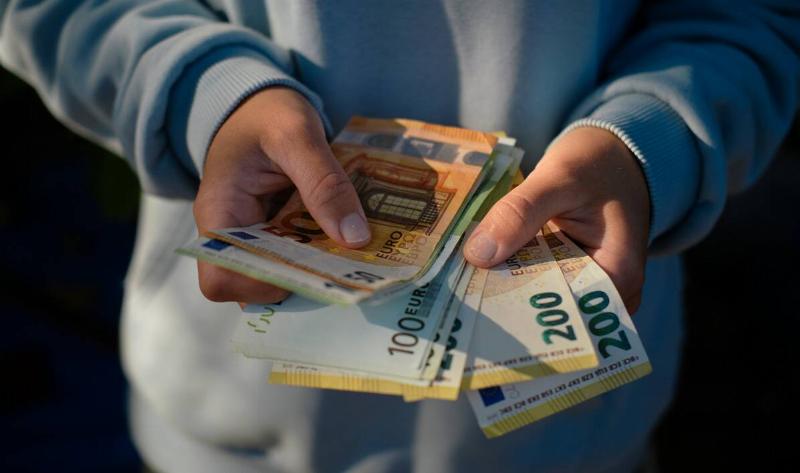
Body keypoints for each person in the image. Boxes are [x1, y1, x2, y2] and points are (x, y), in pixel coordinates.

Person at [1, 1, 797, 472]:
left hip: (565, 440)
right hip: (228, 428)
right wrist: (198, 98)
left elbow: (749, 15)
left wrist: (649, 144)